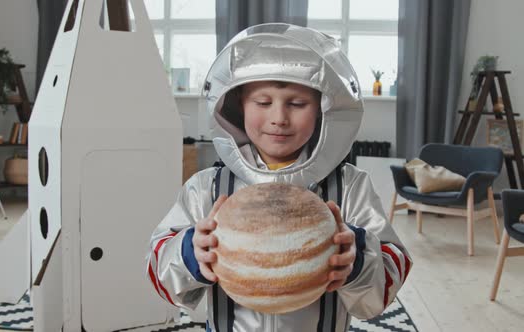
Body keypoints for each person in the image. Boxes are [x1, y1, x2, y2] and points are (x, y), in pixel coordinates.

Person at [147, 23, 411, 332]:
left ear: (323, 110)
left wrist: (358, 262)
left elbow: (388, 279)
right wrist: (190, 252)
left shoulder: (350, 187)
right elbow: (159, 271)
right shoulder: (207, 188)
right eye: (262, 102)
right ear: (237, 106)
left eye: (297, 104)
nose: (279, 118)